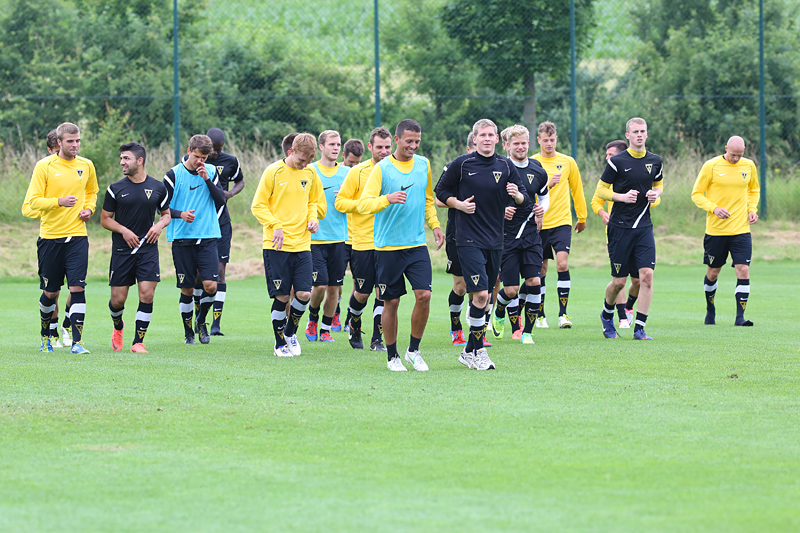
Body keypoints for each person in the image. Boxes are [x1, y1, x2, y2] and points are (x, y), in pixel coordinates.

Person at [435, 118, 527, 370]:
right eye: (482, 135)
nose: (487, 139)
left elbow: (524, 199)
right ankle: (478, 352)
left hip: (495, 240)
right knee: (481, 295)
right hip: (467, 239)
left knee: (485, 299)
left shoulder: (506, 165)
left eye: (491, 135)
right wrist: (459, 204)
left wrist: (517, 196)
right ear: (474, 139)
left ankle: (469, 351)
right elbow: (440, 191)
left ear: (497, 139)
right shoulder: (462, 164)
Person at [358, 119, 444, 371]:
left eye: (417, 141)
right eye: (409, 141)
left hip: (416, 244)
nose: (413, 146)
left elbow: (428, 199)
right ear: (396, 140)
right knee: (392, 302)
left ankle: (413, 351)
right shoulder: (382, 168)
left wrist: (435, 225)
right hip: (387, 247)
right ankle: (392, 356)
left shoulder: (424, 164)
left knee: (424, 295)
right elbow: (364, 204)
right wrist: (387, 198)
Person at [22, 122, 99, 354]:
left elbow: (91, 192)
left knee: (77, 288)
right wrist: (58, 202)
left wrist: (89, 209)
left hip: (77, 236)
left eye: (78, 141)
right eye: (70, 141)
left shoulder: (86, 165)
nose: (75, 145)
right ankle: (46, 336)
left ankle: (77, 342)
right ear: (59, 142)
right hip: (50, 238)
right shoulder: (44, 166)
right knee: (50, 293)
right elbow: (33, 202)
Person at [251, 133, 325, 357]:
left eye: (309, 160)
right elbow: (258, 206)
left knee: (304, 294)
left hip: (302, 244)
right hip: (276, 245)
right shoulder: (273, 172)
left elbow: (315, 202)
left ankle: (290, 333)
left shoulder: (311, 173)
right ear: (291, 151)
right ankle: (279, 344)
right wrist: (275, 225)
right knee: (282, 297)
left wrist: (313, 218)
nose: (304, 164)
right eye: (301, 160)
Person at [594, 117, 663, 340]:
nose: (639, 135)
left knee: (647, 277)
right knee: (619, 283)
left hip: (644, 227)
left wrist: (656, 194)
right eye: (635, 132)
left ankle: (639, 328)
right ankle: (607, 314)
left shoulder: (655, 161)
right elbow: (601, 190)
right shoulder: (617, 161)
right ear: (628, 135)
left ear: (647, 134)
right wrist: (621, 197)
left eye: (642, 131)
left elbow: (658, 184)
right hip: (620, 228)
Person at [100, 142, 170, 353]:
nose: (122, 162)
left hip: (147, 249)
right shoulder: (115, 188)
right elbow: (105, 219)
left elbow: (166, 215)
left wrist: (159, 225)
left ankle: (138, 342)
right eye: (121, 158)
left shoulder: (158, 187)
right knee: (117, 300)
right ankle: (118, 326)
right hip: (122, 251)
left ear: (140, 161)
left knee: (147, 294)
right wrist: (124, 230)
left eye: (126, 158)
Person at [164, 134, 226, 345]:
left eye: (204, 158)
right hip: (182, 238)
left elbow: (221, 200)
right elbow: (161, 208)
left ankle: (201, 321)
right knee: (187, 288)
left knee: (211, 286)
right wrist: (180, 214)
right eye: (197, 157)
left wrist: (206, 179)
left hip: (207, 236)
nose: (200, 161)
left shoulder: (211, 171)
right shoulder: (173, 175)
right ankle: (188, 332)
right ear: (189, 150)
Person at [691, 135, 760, 326]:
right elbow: (696, 194)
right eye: (733, 155)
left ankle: (740, 317)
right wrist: (714, 208)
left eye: (740, 155)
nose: (736, 158)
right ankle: (710, 309)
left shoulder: (749, 165)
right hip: (716, 231)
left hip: (741, 229)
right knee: (713, 272)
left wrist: (752, 209)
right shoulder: (711, 166)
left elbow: (754, 190)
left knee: (743, 269)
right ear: (726, 148)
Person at [490, 125, 549, 345]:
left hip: (531, 234)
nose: (521, 147)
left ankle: (527, 333)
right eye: (516, 143)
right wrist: (500, 210)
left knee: (534, 281)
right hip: (506, 237)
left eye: (524, 143)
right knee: (511, 290)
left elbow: (544, 195)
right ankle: (499, 309)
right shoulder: (498, 168)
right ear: (506, 145)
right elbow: (486, 200)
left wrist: (542, 210)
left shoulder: (537, 169)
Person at [335, 128, 392, 351]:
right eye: (379, 147)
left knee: (383, 292)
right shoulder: (357, 172)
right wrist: (365, 205)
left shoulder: (396, 171)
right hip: (363, 243)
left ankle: (377, 339)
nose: (384, 151)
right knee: (362, 293)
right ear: (370, 147)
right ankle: (355, 322)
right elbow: (340, 202)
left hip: (388, 242)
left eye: (387, 147)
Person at [532, 121, 587, 329]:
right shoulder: (532, 163)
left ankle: (563, 314)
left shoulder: (567, 162)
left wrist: (582, 217)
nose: (549, 144)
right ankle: (540, 315)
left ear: (557, 139)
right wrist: (548, 184)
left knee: (562, 264)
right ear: (539, 140)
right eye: (545, 140)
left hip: (562, 221)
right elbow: (527, 191)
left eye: (552, 140)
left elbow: (577, 189)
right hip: (539, 222)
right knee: (541, 268)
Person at [591, 139, 649, 329]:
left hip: (639, 231)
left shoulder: (636, 173)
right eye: (606, 155)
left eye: (611, 155)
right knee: (620, 280)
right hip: (616, 232)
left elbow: (654, 199)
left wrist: (650, 198)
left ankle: (629, 307)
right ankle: (622, 316)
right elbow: (596, 200)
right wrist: (602, 213)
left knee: (638, 280)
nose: (608, 158)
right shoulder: (609, 177)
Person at [200, 127, 245, 337]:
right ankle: (200, 318)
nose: (216, 153)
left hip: (221, 222)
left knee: (219, 270)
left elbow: (240, 180)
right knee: (199, 275)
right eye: (213, 149)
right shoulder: (197, 160)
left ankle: (216, 324)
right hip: (201, 223)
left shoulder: (230, 161)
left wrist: (230, 193)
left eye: (219, 149)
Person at [305, 130, 349, 342]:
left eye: (338, 144)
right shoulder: (310, 170)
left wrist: (348, 197)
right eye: (331, 144)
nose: (335, 148)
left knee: (334, 289)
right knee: (319, 285)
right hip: (315, 240)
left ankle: (325, 329)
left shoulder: (347, 173)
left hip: (339, 239)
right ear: (321, 147)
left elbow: (358, 202)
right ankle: (312, 319)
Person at [436, 133, 474, 347]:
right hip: (458, 233)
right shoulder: (455, 167)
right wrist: (460, 204)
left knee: (483, 286)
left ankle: (478, 332)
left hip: (486, 235)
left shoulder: (495, 167)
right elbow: (439, 199)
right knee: (460, 286)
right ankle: (456, 327)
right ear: (469, 149)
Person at [338, 138, 365, 332]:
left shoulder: (365, 174)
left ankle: (349, 318)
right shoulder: (336, 173)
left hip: (358, 237)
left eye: (357, 162)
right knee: (335, 282)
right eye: (350, 163)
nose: (354, 167)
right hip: (339, 236)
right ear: (343, 157)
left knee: (359, 282)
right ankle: (334, 312)